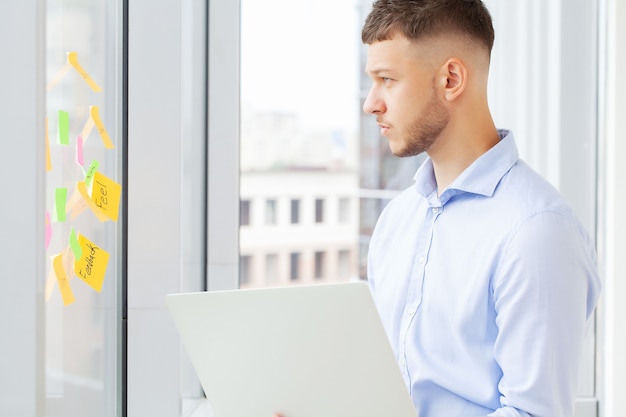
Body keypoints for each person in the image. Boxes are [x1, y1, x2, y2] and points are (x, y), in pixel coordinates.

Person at [273, 0, 601, 416]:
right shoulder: (397, 221)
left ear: (450, 79)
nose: (370, 103)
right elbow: (380, 390)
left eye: (387, 79)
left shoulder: (537, 232)